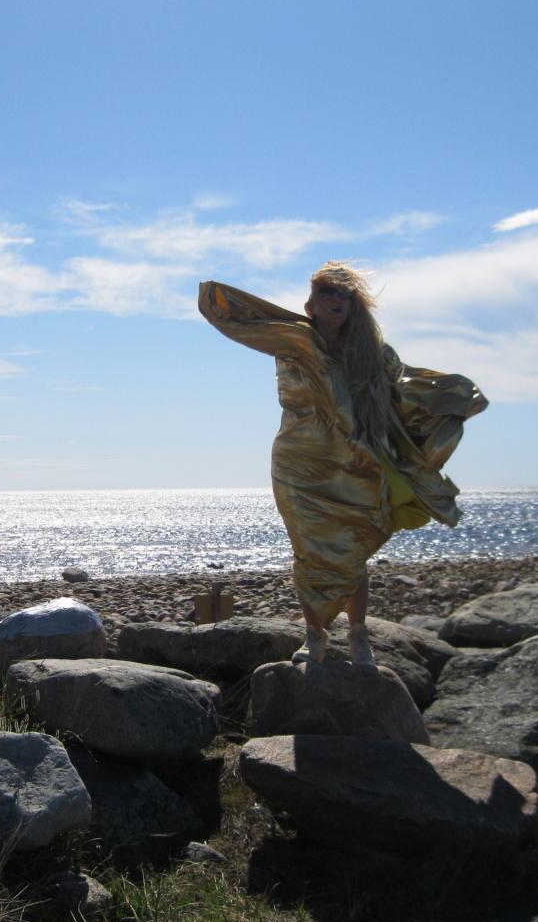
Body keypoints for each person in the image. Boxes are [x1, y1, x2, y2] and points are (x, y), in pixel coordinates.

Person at [198, 262, 487, 666]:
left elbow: (402, 392)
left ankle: (358, 634)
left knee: (353, 546)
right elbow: (241, 319)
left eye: (344, 294)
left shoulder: (373, 354)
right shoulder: (294, 338)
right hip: (300, 461)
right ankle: (314, 635)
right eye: (327, 292)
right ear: (310, 305)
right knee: (309, 550)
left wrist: (448, 398)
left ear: (354, 306)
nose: (336, 300)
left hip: (355, 460)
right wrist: (214, 297)